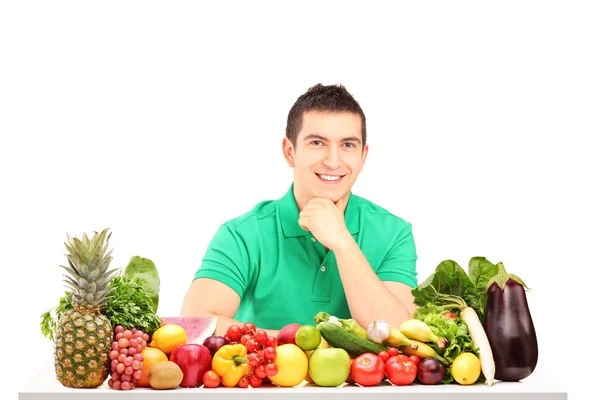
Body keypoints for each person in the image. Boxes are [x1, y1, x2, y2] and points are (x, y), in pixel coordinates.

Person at [181, 83, 418, 337]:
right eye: (318, 142)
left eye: (348, 145)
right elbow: (196, 323)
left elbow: (399, 335)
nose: (333, 161)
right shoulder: (242, 234)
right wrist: (303, 345)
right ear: (290, 152)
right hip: (267, 375)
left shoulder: (394, 233)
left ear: (363, 156)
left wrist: (342, 242)